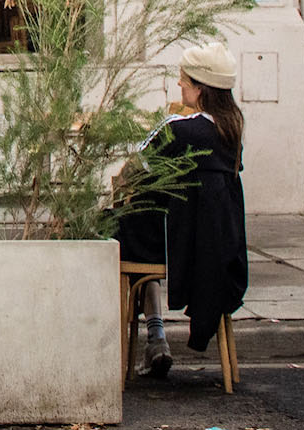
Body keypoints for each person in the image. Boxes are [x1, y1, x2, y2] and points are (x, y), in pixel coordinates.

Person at [116, 41, 249, 377]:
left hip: (175, 246)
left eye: (184, 81)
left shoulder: (178, 129)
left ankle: (153, 336)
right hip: (218, 250)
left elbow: (132, 171)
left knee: (116, 232)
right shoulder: (232, 131)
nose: (179, 85)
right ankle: (155, 337)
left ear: (201, 90)